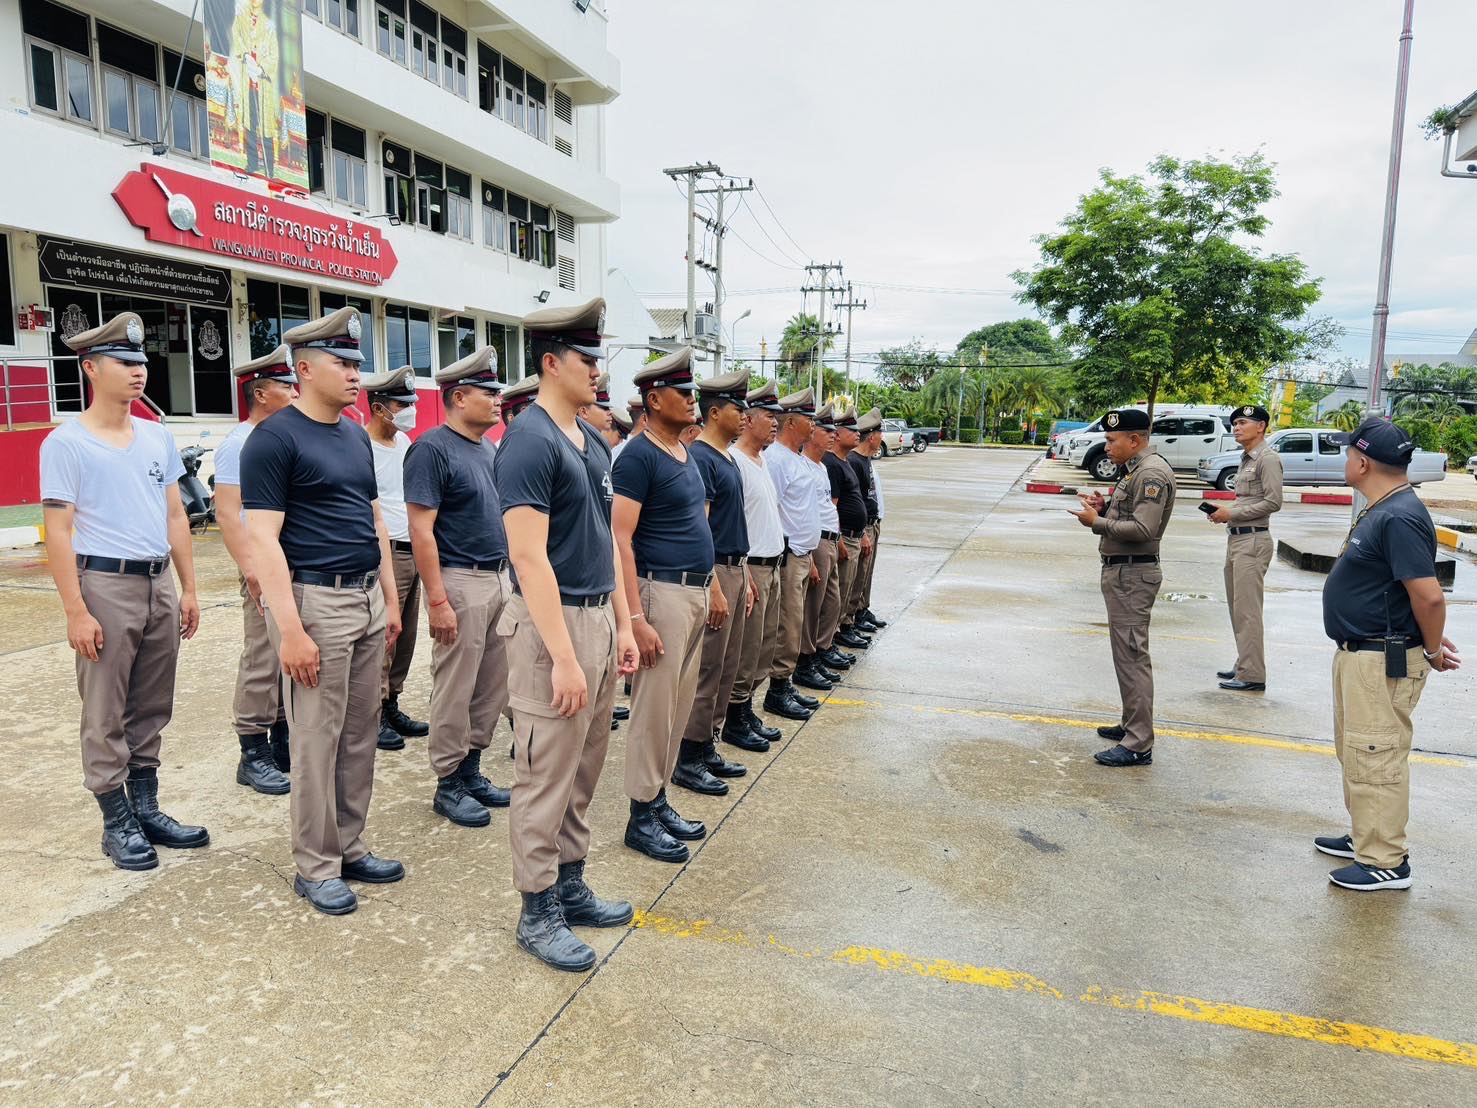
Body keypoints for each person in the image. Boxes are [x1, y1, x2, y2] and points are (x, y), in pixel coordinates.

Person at [242, 306, 405, 916]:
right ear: (305, 369)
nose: (356, 374)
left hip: (365, 598)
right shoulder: (275, 439)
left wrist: (389, 599)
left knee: (360, 732)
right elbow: (263, 539)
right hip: (316, 602)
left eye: (358, 364)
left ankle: (349, 845)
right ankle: (315, 865)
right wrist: (290, 629)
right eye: (343, 363)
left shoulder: (355, 435)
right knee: (316, 737)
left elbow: (373, 518)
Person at [494, 297, 639, 971]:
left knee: (584, 768)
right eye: (586, 359)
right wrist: (563, 656)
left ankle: (571, 883)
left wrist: (622, 624)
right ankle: (537, 907)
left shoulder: (591, 439)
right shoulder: (529, 439)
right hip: (553, 625)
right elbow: (528, 558)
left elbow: (605, 540)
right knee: (545, 773)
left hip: (597, 617)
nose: (597, 370)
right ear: (551, 363)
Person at [41, 311, 209, 871]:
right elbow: (58, 532)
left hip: (157, 581)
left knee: (152, 702)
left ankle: (146, 808)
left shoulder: (156, 436)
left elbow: (176, 516)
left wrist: (188, 588)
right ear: (91, 368)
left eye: (141, 361)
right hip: (104, 585)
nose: (139, 371)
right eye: (124, 361)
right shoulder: (67, 443)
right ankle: (116, 821)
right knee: (106, 708)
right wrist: (75, 610)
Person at [1314, 417, 1459, 891]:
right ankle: (1366, 834)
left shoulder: (1397, 516)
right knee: (1358, 751)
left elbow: (1429, 596)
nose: (1344, 461)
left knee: (1375, 755)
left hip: (1380, 659)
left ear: (1362, 462)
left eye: (1347, 454)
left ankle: (1385, 860)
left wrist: (1432, 647)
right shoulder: (1384, 507)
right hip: (1361, 653)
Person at [404, 347, 513, 829]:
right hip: (460, 580)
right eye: (488, 392)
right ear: (459, 396)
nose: (497, 400)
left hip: (497, 578)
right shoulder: (432, 448)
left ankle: (472, 769)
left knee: (490, 683)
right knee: (456, 685)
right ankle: (448, 780)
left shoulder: (488, 449)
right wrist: (437, 599)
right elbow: (420, 529)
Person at [612, 347, 714, 863]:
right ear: (655, 400)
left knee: (676, 707)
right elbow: (619, 539)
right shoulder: (638, 455)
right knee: (653, 711)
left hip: (693, 592)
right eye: (683, 392)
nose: (693, 400)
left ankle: (658, 797)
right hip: (661, 594)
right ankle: (640, 816)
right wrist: (635, 618)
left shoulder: (681, 452)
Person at [1068, 408, 1175, 768]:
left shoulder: (1151, 473)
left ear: (1134, 439)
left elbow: (1144, 530)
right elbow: (1130, 516)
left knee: (1132, 657)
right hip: (1124, 573)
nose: (1107, 446)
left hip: (1133, 575)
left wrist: (1096, 522)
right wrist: (1104, 509)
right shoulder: (1136, 470)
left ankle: (1138, 743)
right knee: (1126, 657)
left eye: (1112, 440)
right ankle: (1131, 723)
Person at [214, 344, 297, 795]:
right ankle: (252, 751)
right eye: (286, 386)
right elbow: (229, 513)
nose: (295, 392)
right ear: (261, 393)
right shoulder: (239, 443)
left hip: (291, 562)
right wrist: (250, 568)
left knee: (288, 656)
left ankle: (282, 741)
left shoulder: (285, 436)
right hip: (261, 566)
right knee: (263, 657)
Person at [674, 369, 754, 795]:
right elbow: (701, 528)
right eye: (737, 409)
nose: (744, 416)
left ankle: (707, 744)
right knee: (706, 669)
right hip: (716, 570)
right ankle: (688, 755)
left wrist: (745, 576)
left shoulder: (726, 457)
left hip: (734, 568)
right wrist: (715, 586)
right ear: (715, 412)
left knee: (725, 666)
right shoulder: (702, 458)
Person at [363, 365, 429, 752]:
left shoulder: (403, 443)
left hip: (412, 548)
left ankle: (392, 703)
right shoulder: (362, 447)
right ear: (378, 408)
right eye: (401, 405)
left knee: (406, 636)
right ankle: (373, 714)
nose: (410, 411)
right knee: (384, 636)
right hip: (385, 554)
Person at [723, 381, 787, 752]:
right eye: (768, 416)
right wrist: (745, 573)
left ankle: (746, 709)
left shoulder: (761, 461)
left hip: (773, 565)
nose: (776, 423)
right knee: (746, 650)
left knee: (764, 646)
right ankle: (735, 717)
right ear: (748, 420)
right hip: (753, 568)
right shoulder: (736, 462)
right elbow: (734, 525)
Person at [1207, 404, 1282, 692]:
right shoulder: (1246, 458)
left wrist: (1232, 513)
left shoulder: (1267, 459)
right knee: (1238, 608)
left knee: (1248, 611)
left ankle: (1252, 674)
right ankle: (1244, 663)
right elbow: (1249, 499)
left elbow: (1273, 502)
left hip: (1253, 540)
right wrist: (1225, 512)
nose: (1236, 428)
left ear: (1260, 426)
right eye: (1234, 424)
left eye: (1242, 423)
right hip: (1237, 538)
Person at [762, 388, 823, 721]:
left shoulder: (795, 458)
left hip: (801, 554)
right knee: (786, 625)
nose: (813, 424)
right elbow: (772, 510)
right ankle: (777, 689)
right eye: (808, 418)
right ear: (791, 422)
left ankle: (783, 683)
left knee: (794, 624)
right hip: (787, 555)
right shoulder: (775, 459)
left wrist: (809, 556)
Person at [798, 403, 844, 690]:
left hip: (830, 540)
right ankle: (806, 659)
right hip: (816, 544)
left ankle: (820, 651)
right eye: (827, 431)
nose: (832, 436)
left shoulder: (822, 466)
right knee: (812, 608)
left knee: (831, 601)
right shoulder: (803, 465)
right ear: (812, 433)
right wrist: (811, 558)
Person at [825, 406, 874, 652]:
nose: (858, 434)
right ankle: (832, 638)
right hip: (844, 536)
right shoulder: (832, 464)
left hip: (854, 535)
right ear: (837, 433)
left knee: (846, 591)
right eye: (851, 430)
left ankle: (843, 629)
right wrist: (839, 541)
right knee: (838, 593)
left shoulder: (844, 462)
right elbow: (832, 507)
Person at [847, 409, 885, 634]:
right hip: (863, 528)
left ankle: (862, 609)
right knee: (857, 576)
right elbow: (854, 499)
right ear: (871, 437)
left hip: (872, 523)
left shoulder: (866, 459)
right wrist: (862, 533)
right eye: (880, 434)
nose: (882, 438)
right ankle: (851, 618)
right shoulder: (854, 460)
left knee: (866, 574)